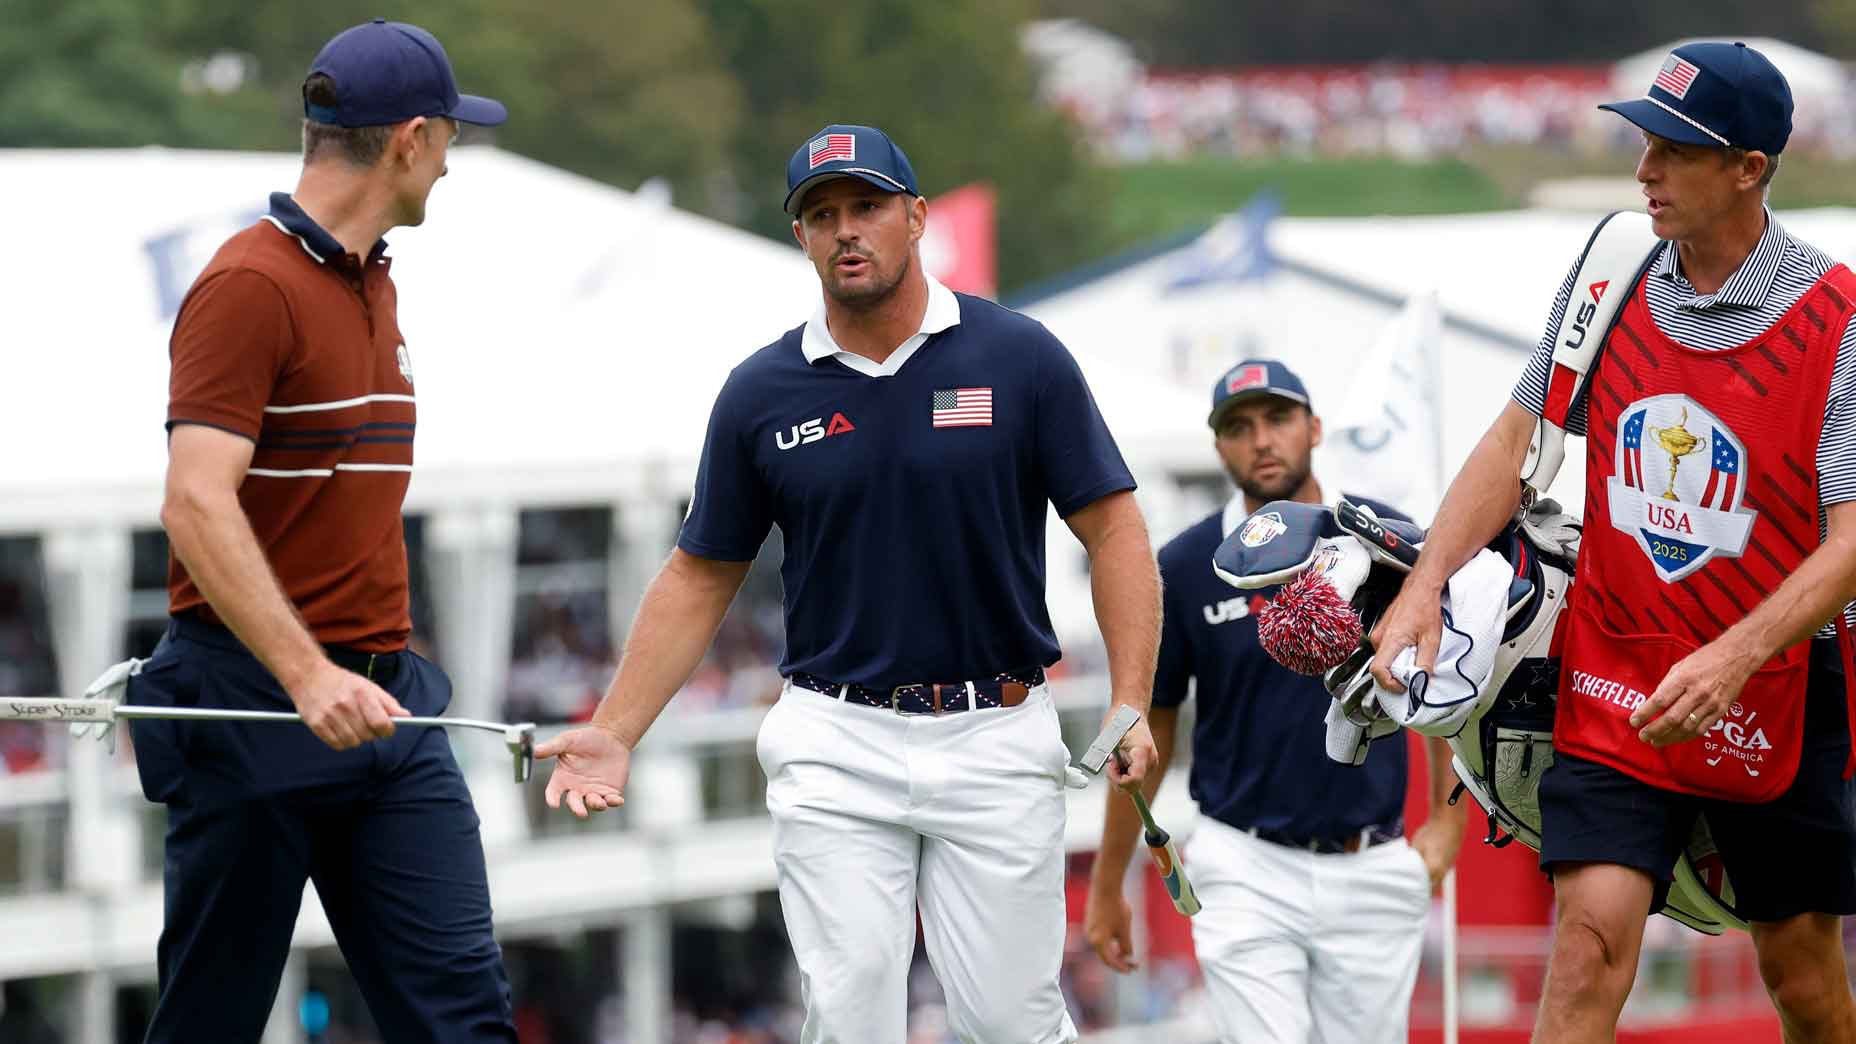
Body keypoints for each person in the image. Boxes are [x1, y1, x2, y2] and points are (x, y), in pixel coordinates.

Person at [538, 123, 1162, 1044]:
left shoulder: (1020, 357)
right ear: (801, 236)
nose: (846, 230)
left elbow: (1114, 529)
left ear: (916, 217)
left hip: (996, 734)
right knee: (849, 1010)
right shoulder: (760, 392)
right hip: (835, 741)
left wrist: (1131, 697)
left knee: (1011, 1021)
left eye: (866, 206)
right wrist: (616, 729)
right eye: (822, 214)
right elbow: (699, 575)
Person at [1370, 42, 1856, 1042]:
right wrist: (1424, 583)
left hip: (1774, 691)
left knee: (1802, 975)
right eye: (1643, 142)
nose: (1643, 169)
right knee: (1586, 946)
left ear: (1747, 168)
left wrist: (1732, 656)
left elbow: (1850, 542)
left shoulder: (1836, 321)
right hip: (1612, 676)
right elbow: (1516, 442)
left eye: (1673, 150)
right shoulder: (1609, 273)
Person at [129, 20, 516, 1043]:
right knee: (210, 1024)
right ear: (412, 140)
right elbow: (194, 501)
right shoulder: (248, 284)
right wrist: (307, 677)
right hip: (254, 706)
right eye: (450, 137)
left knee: (467, 1020)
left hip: (391, 714)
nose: (452, 161)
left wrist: (345, 678)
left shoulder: (373, 276)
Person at [1085, 359, 1464, 1043]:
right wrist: (1109, 884)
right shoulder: (1184, 565)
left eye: (1278, 418)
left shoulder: (1387, 536)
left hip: (1372, 864)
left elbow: (1444, 682)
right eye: (1239, 426)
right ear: (1219, 445)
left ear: (1314, 428)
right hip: (1244, 865)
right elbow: (1149, 727)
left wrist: (1445, 824)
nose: (1261, 439)